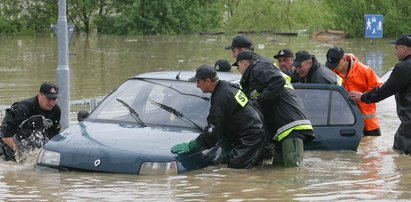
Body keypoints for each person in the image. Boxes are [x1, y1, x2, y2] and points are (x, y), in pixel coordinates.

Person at [171, 65, 266, 169]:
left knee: (236, 172)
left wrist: (193, 145)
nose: (197, 86)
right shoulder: (227, 87)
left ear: (207, 81)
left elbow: (213, 130)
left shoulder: (221, 98)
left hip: (250, 137)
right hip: (253, 131)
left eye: (198, 82)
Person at [234, 50, 315, 167]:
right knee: (279, 170)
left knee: (293, 171)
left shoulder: (258, 69)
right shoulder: (253, 78)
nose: (238, 70)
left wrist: (258, 102)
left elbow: (278, 81)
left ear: (244, 63)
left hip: (291, 126)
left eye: (238, 66)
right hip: (280, 131)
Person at [350, 34, 411, 154]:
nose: (395, 52)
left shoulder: (405, 67)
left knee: (400, 154)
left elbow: (386, 90)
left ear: (404, 48)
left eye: (396, 48)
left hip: (409, 123)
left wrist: (363, 97)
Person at [325, 47, 383, 136]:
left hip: (368, 122)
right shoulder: (331, 71)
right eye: (332, 65)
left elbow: (379, 88)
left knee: (372, 145)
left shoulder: (364, 70)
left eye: (336, 64)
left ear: (344, 59)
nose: (334, 67)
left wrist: (363, 96)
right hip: (344, 121)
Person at [0, 82, 61, 160]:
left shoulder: (56, 110)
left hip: (31, 141)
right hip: (7, 143)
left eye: (54, 99)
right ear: (40, 95)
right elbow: (5, 137)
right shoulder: (22, 109)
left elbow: (54, 135)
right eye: (49, 99)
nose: (52, 103)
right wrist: (22, 156)